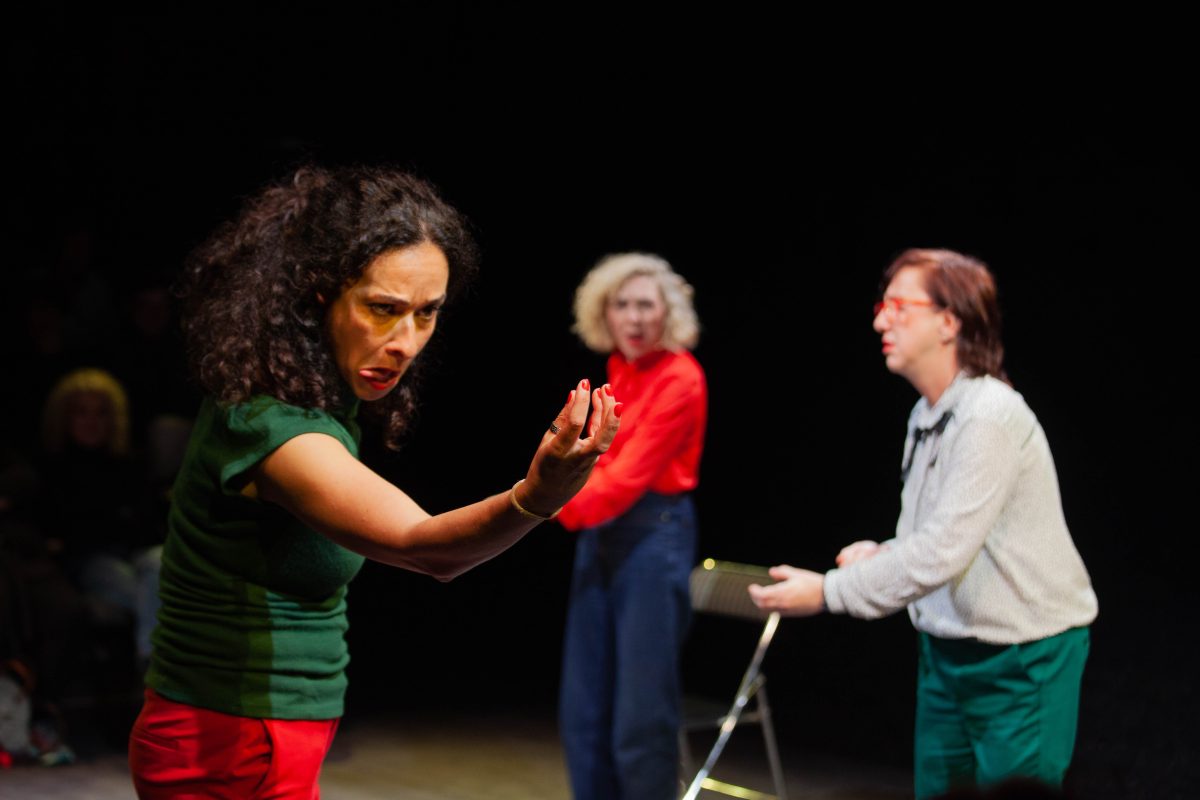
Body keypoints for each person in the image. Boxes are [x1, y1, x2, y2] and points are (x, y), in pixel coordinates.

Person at [127, 166, 621, 799]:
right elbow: (425, 547)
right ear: (316, 296)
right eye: (383, 310)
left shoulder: (324, 403)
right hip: (227, 737)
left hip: (268, 732)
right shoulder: (268, 424)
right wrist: (537, 495)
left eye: (427, 313)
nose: (406, 342)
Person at [748, 248, 1098, 798]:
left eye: (898, 307)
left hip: (1022, 658)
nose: (880, 321)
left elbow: (941, 553)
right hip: (946, 651)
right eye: (881, 306)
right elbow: (939, 533)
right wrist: (887, 551)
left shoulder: (989, 416)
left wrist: (828, 592)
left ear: (948, 322)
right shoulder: (929, 412)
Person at [556, 252, 707, 800]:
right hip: (602, 531)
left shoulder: (681, 377)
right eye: (622, 305)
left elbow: (624, 478)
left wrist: (550, 503)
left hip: (652, 535)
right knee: (583, 707)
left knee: (640, 716)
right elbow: (599, 465)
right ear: (604, 313)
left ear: (668, 312)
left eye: (646, 305)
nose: (635, 318)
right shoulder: (619, 369)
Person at [37, 368, 163, 668]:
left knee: (160, 560)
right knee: (138, 586)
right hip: (92, 560)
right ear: (64, 417)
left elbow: (151, 522)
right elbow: (69, 532)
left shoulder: (130, 463)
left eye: (101, 413)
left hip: (137, 553)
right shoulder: (53, 469)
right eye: (81, 412)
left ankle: (150, 660)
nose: (91, 421)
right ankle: (153, 662)